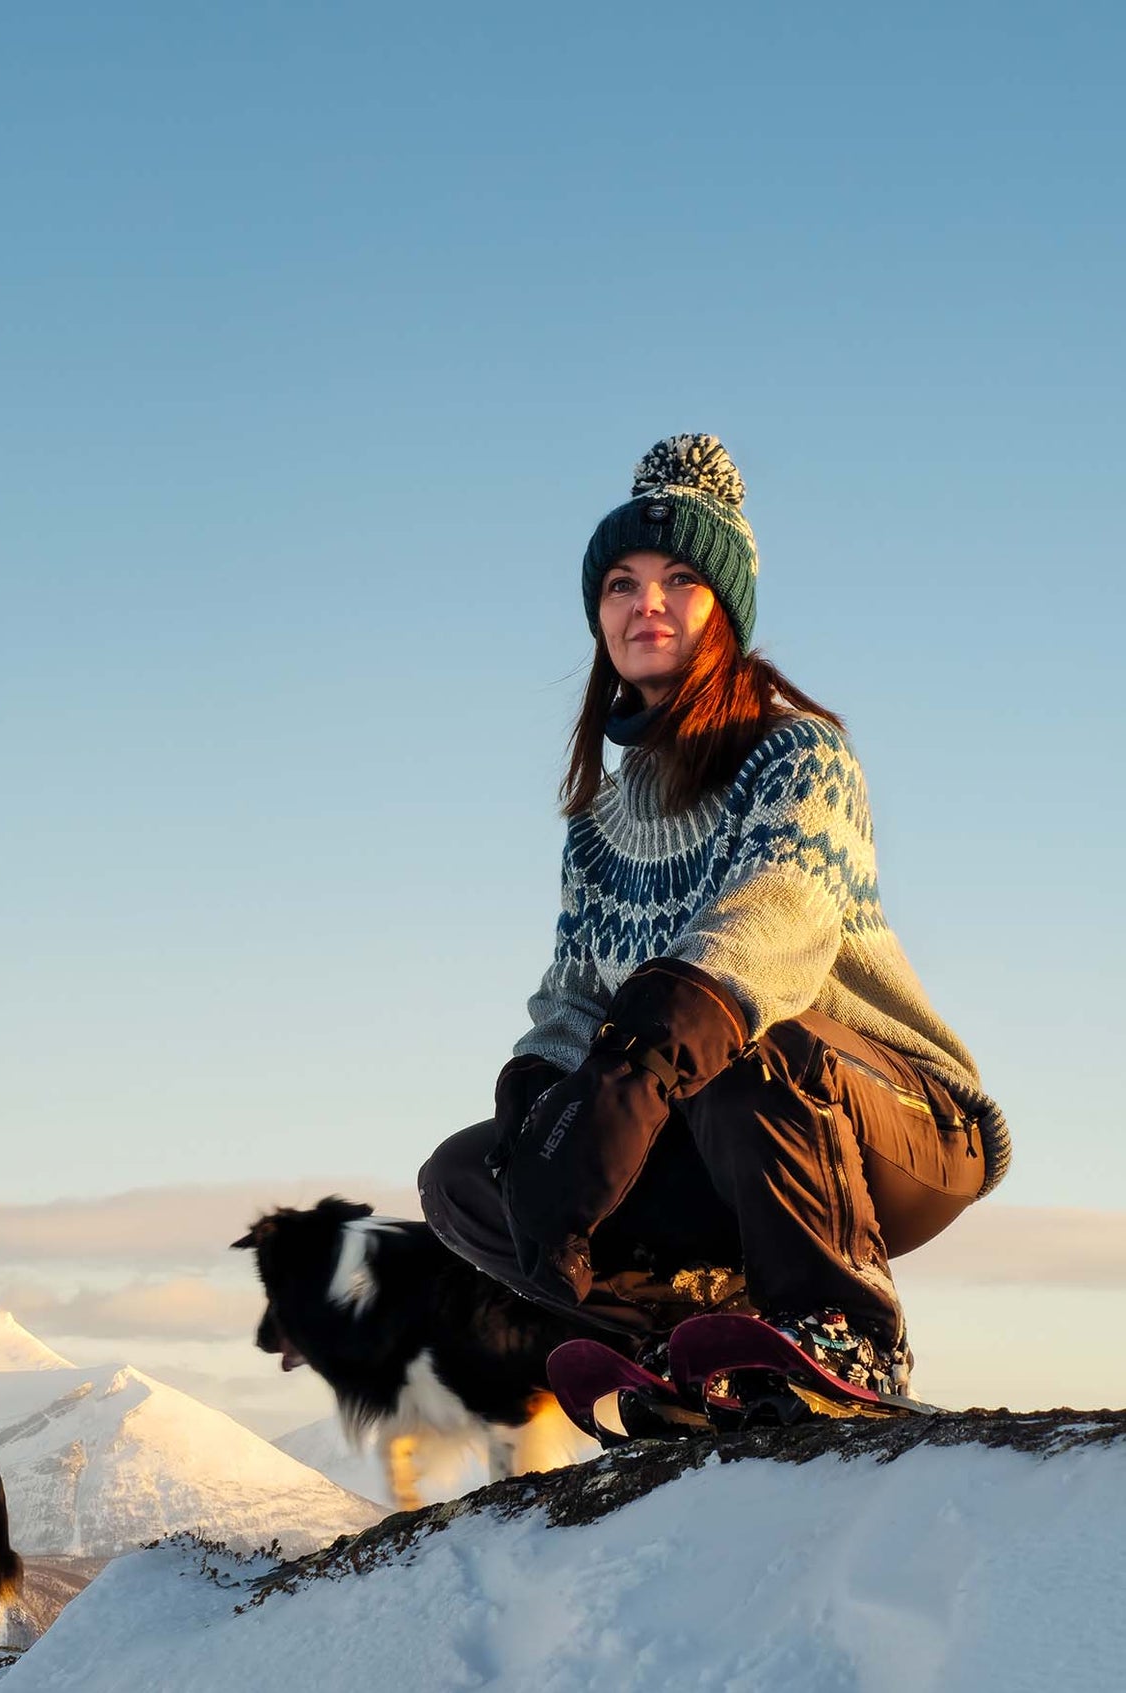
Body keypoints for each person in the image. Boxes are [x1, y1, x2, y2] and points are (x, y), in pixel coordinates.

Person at [418, 434, 1009, 1396]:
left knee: (747, 1043)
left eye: (679, 578)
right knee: (465, 1176)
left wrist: (634, 1066)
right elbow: (570, 1001)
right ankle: (687, 1338)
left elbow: (766, 931)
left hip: (891, 1126)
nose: (644, 602)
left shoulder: (798, 754)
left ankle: (842, 1330)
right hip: (713, 1132)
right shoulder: (597, 828)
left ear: (723, 610)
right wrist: (541, 1113)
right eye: (620, 582)